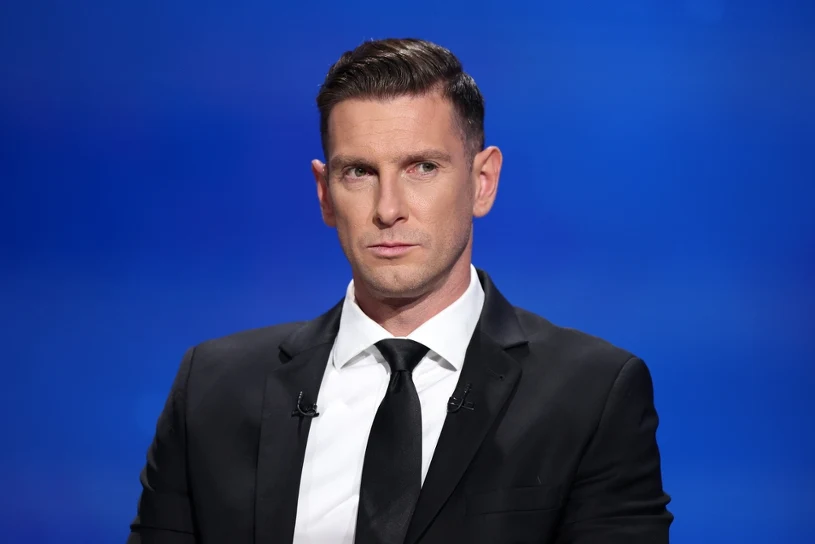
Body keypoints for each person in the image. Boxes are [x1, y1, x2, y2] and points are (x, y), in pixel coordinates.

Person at [127, 37, 672, 544]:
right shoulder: (212, 392)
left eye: (422, 168)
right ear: (324, 193)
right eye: (359, 172)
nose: (388, 209)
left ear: (482, 182)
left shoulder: (590, 396)